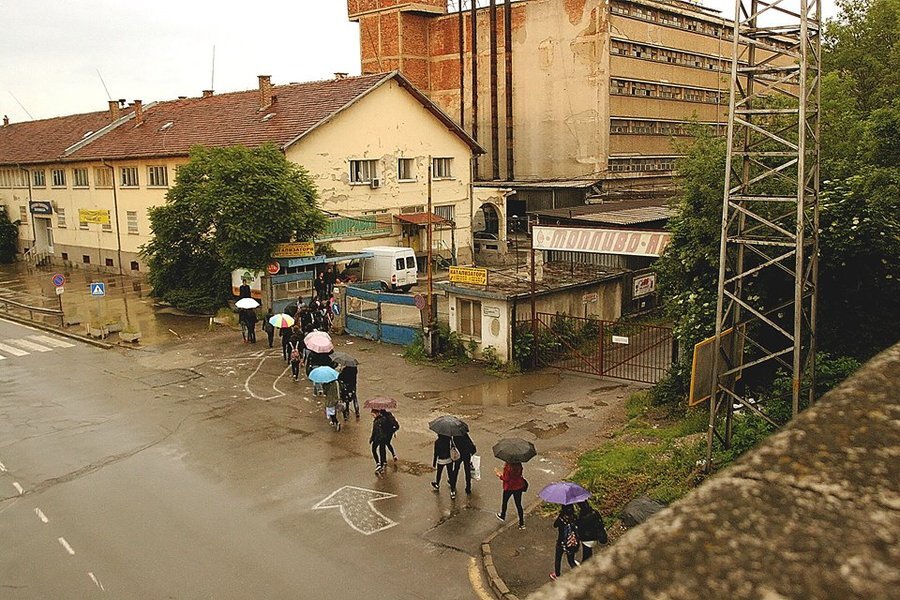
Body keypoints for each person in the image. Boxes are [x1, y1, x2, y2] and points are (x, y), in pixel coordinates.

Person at [551, 504, 580, 581]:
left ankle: (557, 575)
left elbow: (555, 525)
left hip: (561, 542)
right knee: (571, 560)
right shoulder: (574, 517)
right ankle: (579, 573)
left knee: (558, 558)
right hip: (571, 542)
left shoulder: (562, 519)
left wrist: (560, 515)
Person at [495, 461, 527, 529]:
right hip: (518, 486)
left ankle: (503, 515)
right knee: (518, 504)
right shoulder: (519, 464)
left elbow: (506, 478)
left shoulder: (508, 466)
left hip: (509, 487)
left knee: (505, 501)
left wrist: (499, 475)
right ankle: (521, 523)